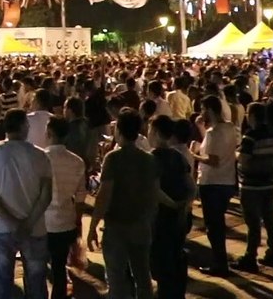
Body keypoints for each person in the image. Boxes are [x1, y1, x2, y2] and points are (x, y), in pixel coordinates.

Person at [0, 109, 52, 299]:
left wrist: (11, 221)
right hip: (35, 227)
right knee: (36, 283)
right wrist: (27, 223)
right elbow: (46, 195)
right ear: (24, 127)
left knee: (2, 284)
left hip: (2, 227)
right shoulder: (41, 155)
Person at [87, 110, 160, 299]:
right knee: (143, 275)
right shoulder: (149, 159)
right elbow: (154, 194)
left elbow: (104, 195)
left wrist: (94, 225)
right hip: (141, 224)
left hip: (117, 226)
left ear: (119, 130)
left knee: (116, 276)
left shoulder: (113, 158)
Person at [194, 94, 239, 277]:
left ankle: (219, 263)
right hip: (227, 180)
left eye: (204, 108)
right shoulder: (229, 128)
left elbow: (212, 159)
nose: (201, 112)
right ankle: (220, 261)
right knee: (218, 222)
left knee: (214, 226)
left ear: (210, 110)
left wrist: (194, 155)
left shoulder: (214, 132)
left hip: (212, 182)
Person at [149, 116, 193, 299]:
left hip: (160, 218)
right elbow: (191, 186)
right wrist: (184, 205)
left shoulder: (151, 159)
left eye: (150, 130)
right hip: (179, 219)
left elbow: (154, 190)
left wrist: (173, 204)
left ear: (157, 133)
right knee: (176, 258)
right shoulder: (179, 157)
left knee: (161, 264)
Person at [236, 101, 273, 271]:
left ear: (252, 115)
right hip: (269, 182)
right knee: (270, 219)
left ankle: (251, 255)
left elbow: (244, 158)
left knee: (253, 222)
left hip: (252, 184)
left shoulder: (251, 136)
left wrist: (236, 153)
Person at [43, 117, 85, 299]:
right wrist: (78, 222)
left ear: (49, 133)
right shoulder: (77, 161)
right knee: (59, 267)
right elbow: (81, 197)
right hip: (66, 221)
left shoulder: (41, 158)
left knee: (37, 267)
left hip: (42, 221)